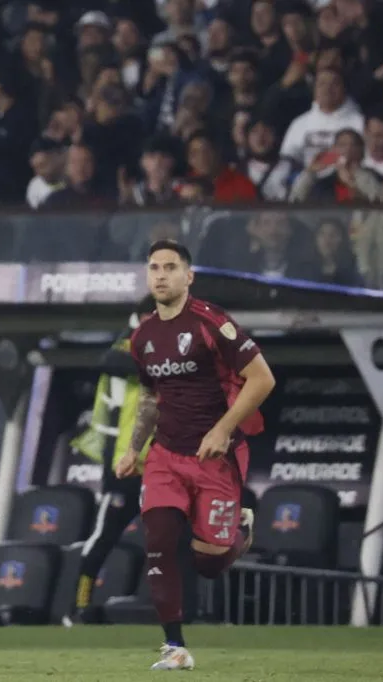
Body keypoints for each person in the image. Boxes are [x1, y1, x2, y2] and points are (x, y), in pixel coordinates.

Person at [115, 239, 275, 670]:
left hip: (215, 457)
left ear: (189, 276)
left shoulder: (212, 323)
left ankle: (238, 530)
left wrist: (223, 429)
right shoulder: (143, 336)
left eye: (170, 267)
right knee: (159, 541)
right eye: (154, 267)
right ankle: (175, 647)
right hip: (166, 454)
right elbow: (151, 399)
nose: (161, 275)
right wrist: (134, 449)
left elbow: (262, 379)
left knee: (209, 562)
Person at [63, 295, 155, 627]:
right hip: (123, 468)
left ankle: (180, 610)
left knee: (172, 542)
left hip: (163, 470)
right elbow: (110, 361)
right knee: (103, 538)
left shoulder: (179, 353)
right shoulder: (124, 351)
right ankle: (79, 607)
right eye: (149, 316)